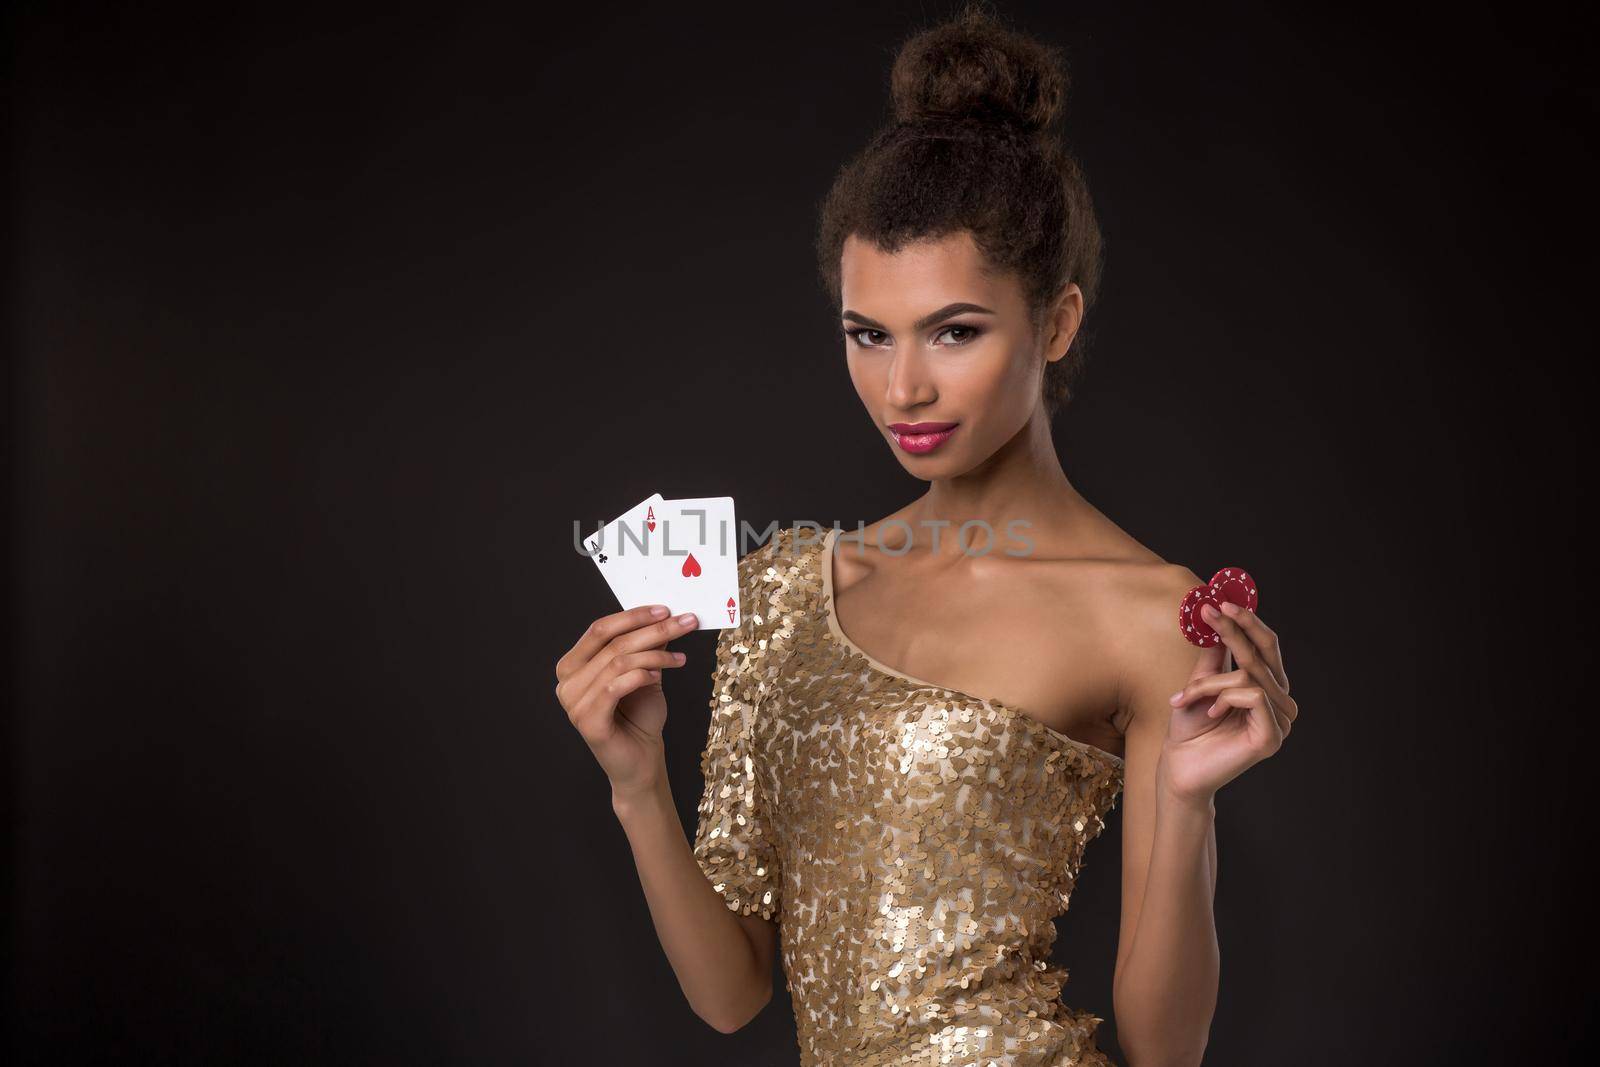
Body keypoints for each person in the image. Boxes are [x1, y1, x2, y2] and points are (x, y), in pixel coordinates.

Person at [555, 5, 1297, 1064]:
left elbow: (1164, 1049)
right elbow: (730, 993)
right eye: (868, 334)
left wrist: (1186, 801)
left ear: (1056, 321)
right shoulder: (782, 590)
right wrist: (635, 781)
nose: (902, 386)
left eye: (954, 330)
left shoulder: (1143, 610)